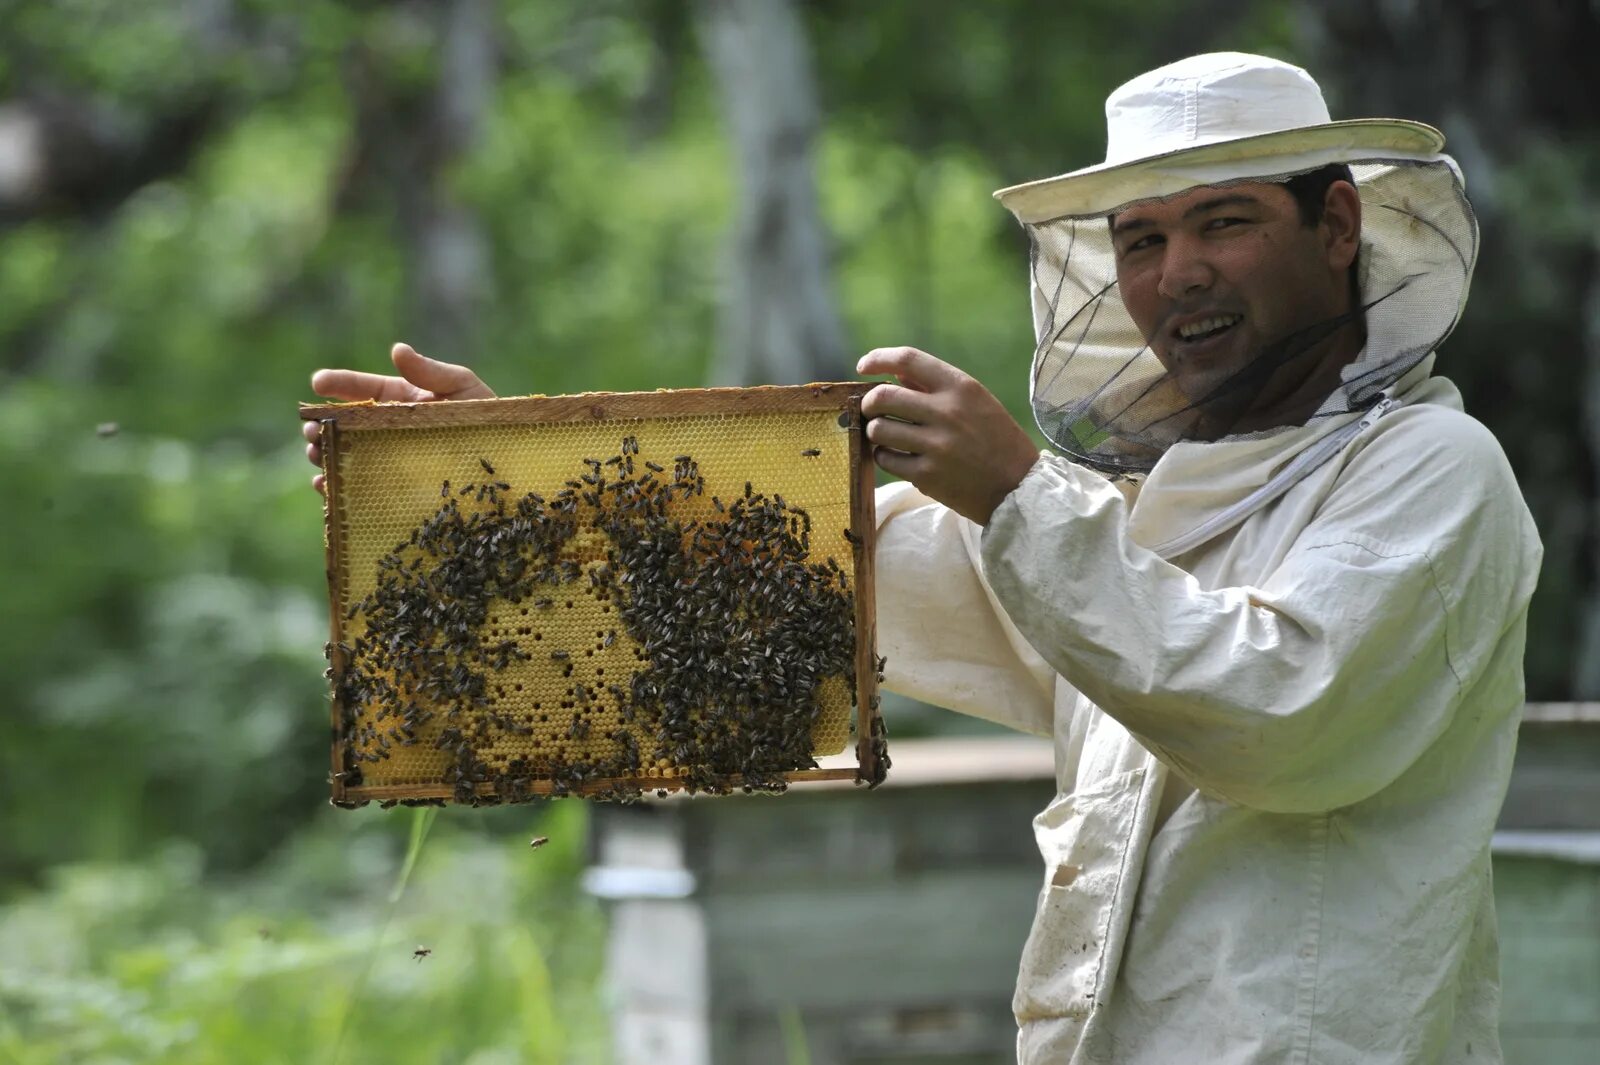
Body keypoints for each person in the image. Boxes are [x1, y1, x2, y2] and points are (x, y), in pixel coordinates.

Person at [304, 53, 1542, 1065]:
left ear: (1335, 227)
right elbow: (813, 573)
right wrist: (513, 488)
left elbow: (1277, 715)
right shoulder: (1132, 510)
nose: (1180, 273)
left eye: (1224, 222)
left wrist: (1013, 492)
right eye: (1143, 238)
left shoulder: (1431, 472)